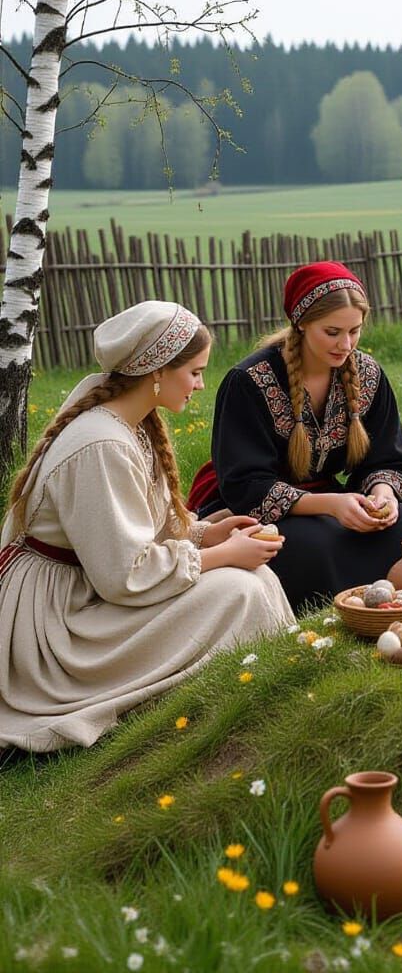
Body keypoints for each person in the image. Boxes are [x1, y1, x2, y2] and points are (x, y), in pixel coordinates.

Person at [0, 301, 294, 754]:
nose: (200, 384)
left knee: (254, 579)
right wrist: (222, 556)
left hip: (91, 587)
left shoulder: (127, 423)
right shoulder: (101, 444)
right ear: (156, 370)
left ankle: (271, 686)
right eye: (194, 372)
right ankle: (252, 697)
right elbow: (125, 575)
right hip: (55, 624)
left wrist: (203, 534)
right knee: (240, 589)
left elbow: (139, 529)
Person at [188, 260, 402, 607]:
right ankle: (332, 608)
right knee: (311, 545)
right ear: (302, 323)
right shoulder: (249, 380)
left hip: (328, 497)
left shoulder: (367, 374)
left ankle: (391, 603)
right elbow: (246, 484)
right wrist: (332, 506)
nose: (346, 344)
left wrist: (383, 495)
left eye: (355, 330)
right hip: (251, 503)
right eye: (333, 332)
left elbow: (388, 456)